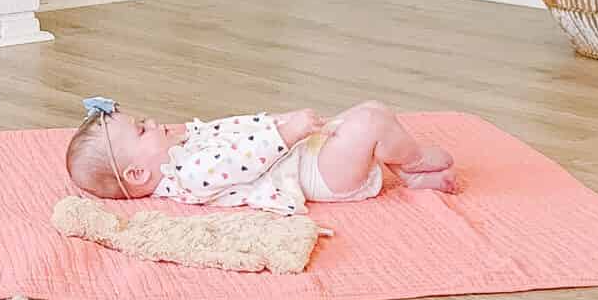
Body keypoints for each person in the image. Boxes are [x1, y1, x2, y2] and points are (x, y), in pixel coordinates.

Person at [65, 96, 455, 212]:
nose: (152, 123)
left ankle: (411, 176)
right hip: (315, 176)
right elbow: (242, 158)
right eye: (141, 130)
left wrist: (278, 120)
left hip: (305, 153)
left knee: (370, 112)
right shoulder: (190, 174)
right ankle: (414, 161)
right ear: (136, 174)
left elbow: (235, 127)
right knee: (370, 122)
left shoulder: (178, 152)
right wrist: (287, 130)